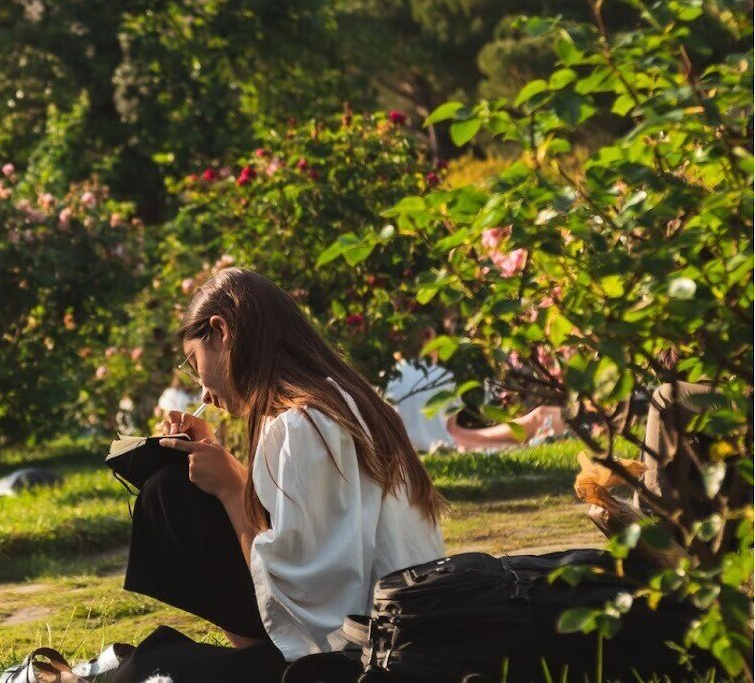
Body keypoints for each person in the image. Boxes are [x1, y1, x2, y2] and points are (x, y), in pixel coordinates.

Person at [116, 268, 448, 681]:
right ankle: (256, 657)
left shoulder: (301, 423)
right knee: (172, 490)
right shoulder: (341, 400)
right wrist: (225, 466)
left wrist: (232, 491)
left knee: (147, 669)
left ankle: (260, 660)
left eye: (193, 363)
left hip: (359, 660)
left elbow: (315, 604)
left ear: (221, 333)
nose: (201, 391)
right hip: (398, 635)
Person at [386, 358, 567, 453]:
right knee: (541, 418)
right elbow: (453, 430)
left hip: (444, 442)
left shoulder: (393, 376)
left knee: (539, 418)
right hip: (451, 441)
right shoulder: (440, 375)